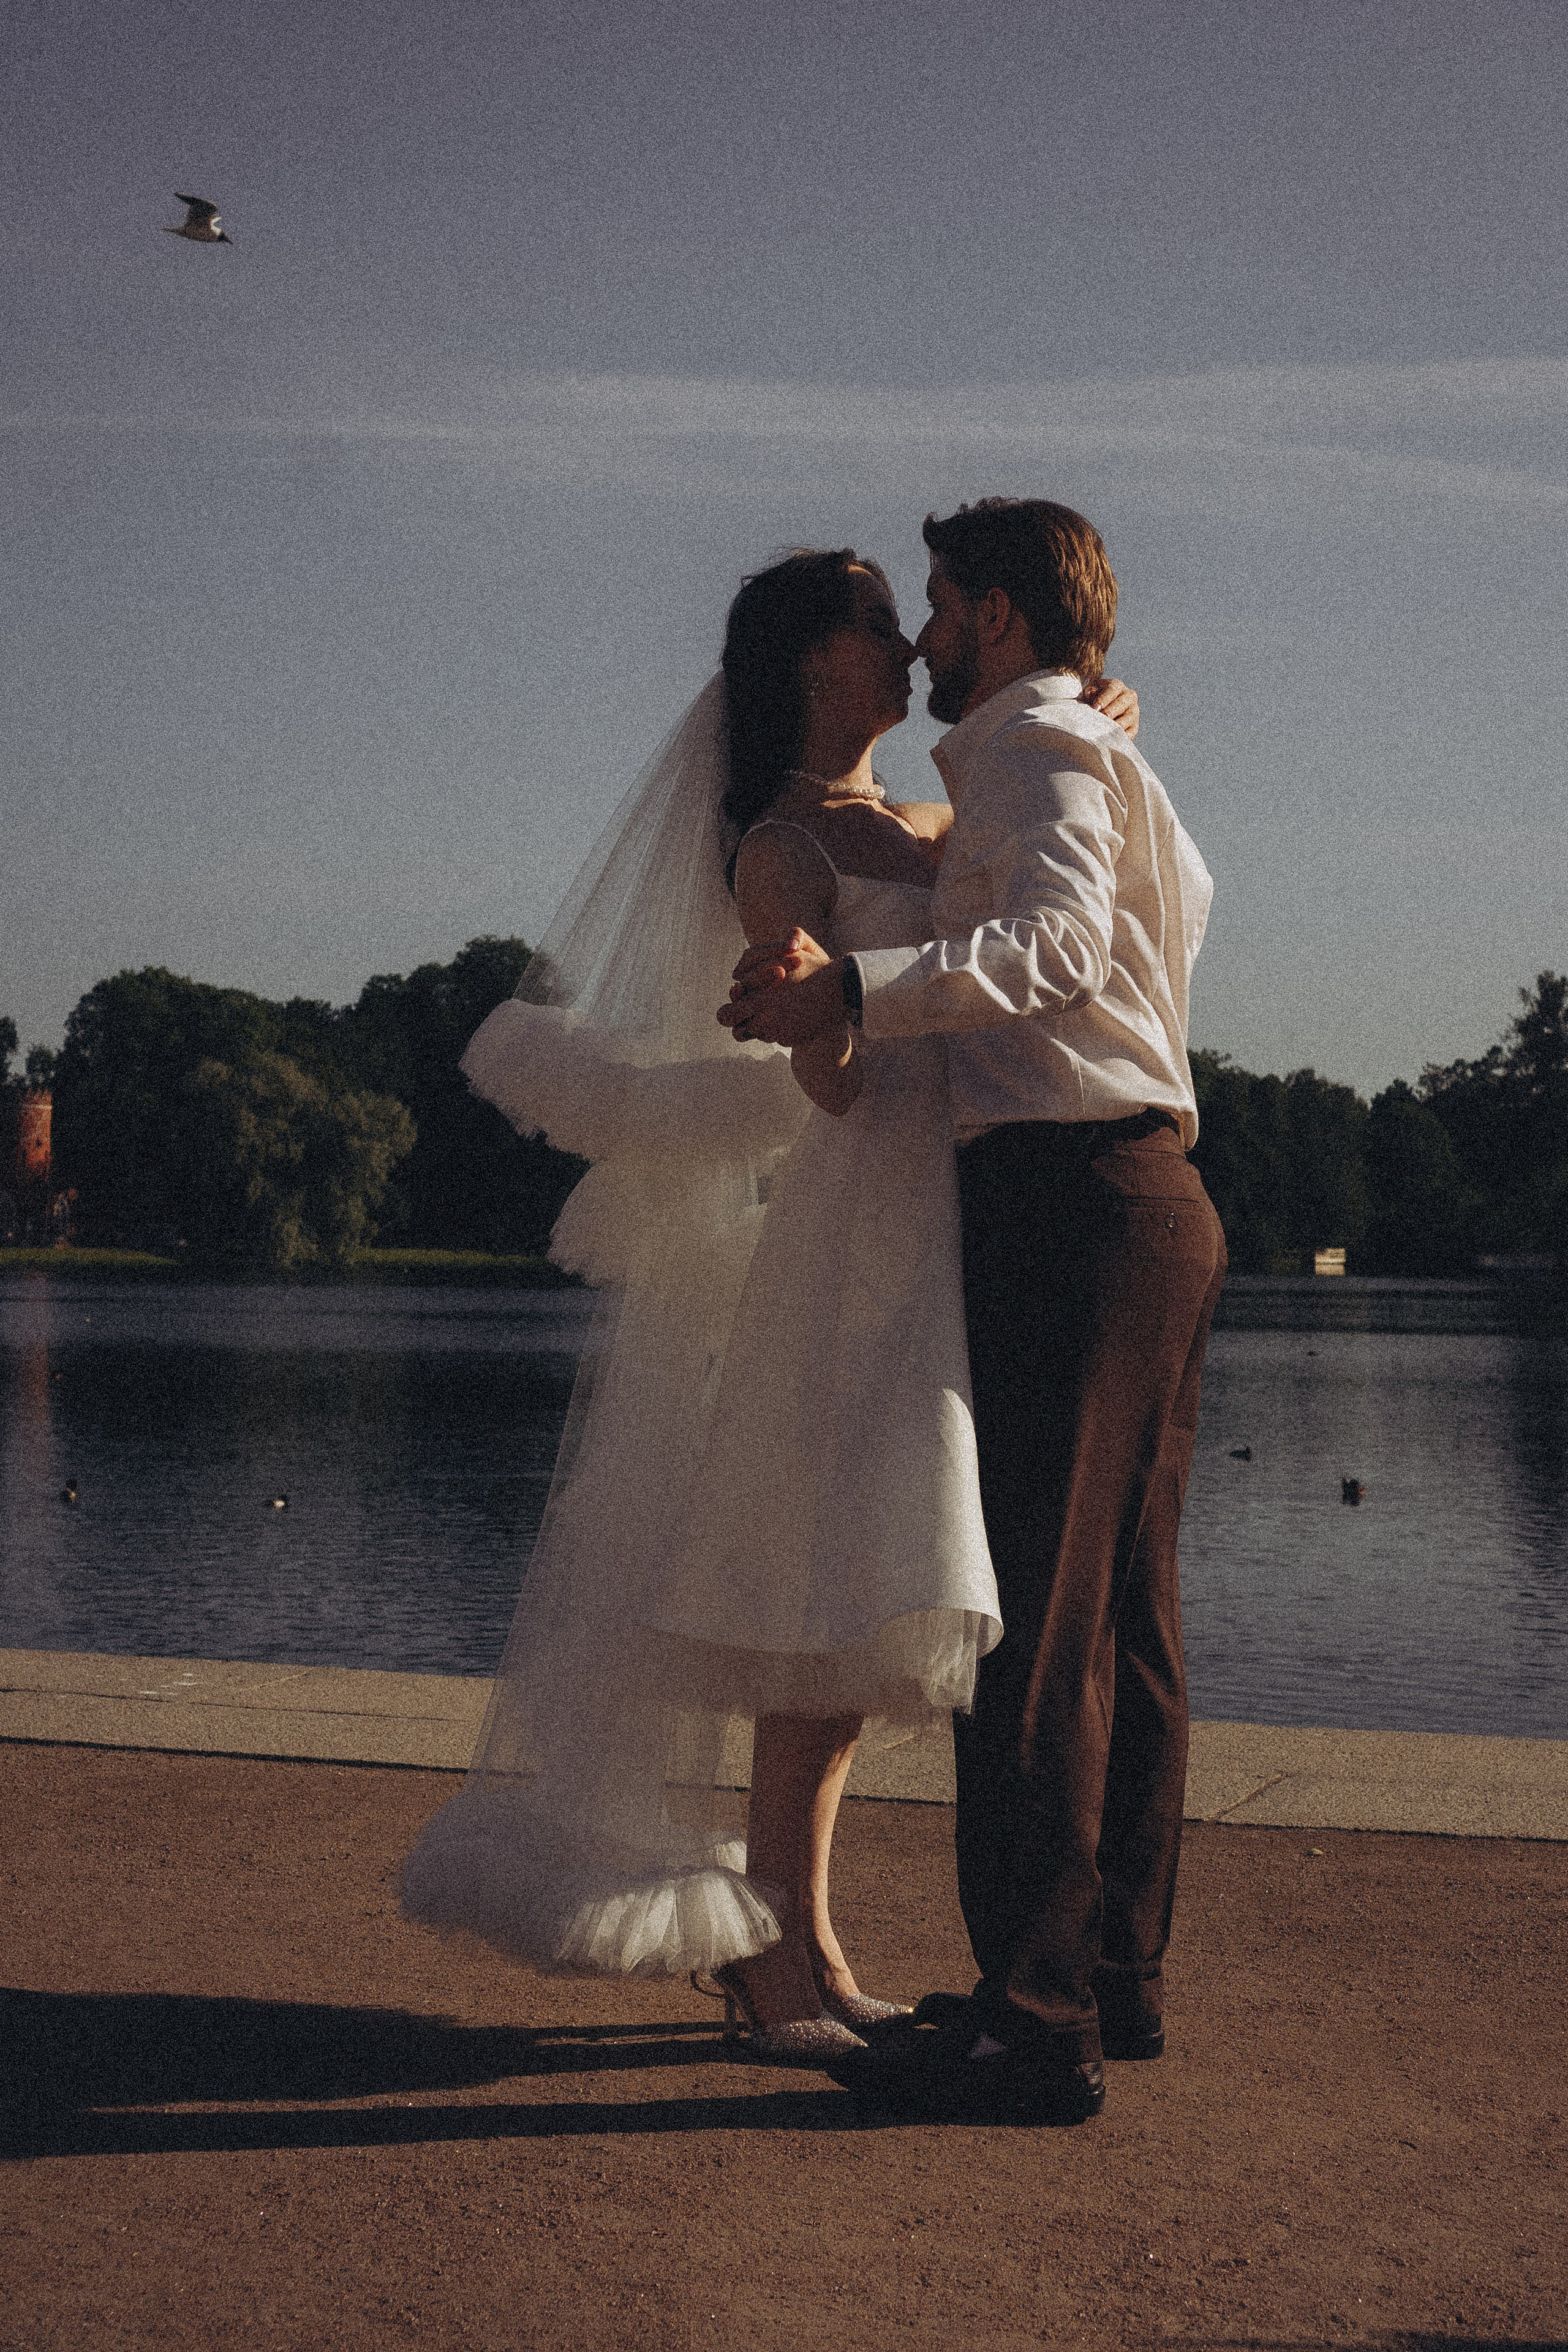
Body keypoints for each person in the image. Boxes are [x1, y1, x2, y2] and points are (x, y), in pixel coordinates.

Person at [400, 545, 1139, 2062]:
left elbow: (1024, 934)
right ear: (811, 662)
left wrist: (1091, 728)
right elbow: (831, 1077)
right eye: (876, 623)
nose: (906, 643)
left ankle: (793, 1944)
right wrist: (816, 1011)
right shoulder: (780, 850)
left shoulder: (933, 816)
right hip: (859, 1237)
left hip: (949, 1225)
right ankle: (774, 1962)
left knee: (864, 1633)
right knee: (825, 1618)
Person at [721, 499, 1226, 2122]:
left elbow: (1064, 945)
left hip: (1070, 1201)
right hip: (1149, 1192)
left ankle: (1028, 2016)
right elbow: (1174, 906)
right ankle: (1110, 1980)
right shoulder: (1066, 743)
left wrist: (853, 989)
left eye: (939, 605)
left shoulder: (1026, 746)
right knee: (1130, 1627)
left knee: (1047, 1642)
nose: (926, 635)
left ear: (997, 617)